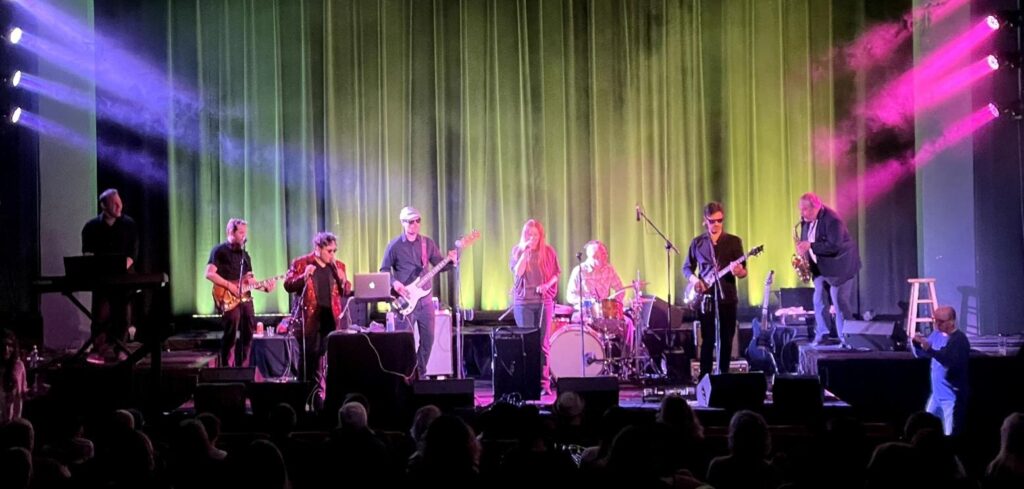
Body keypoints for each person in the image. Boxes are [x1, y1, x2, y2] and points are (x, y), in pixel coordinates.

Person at [379, 206, 457, 376]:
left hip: (426, 301)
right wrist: (395, 283)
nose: (414, 224)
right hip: (405, 302)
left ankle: (419, 375)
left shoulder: (427, 243)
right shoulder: (394, 246)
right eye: (410, 221)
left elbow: (439, 264)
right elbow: (384, 270)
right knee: (405, 342)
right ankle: (405, 375)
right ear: (402, 223)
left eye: (417, 221)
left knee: (428, 341)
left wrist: (452, 261)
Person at [683, 202, 747, 378]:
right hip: (706, 298)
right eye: (712, 221)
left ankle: (723, 376)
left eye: (720, 220)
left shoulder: (734, 241)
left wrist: (738, 270)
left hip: (727, 296)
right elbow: (686, 268)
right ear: (705, 221)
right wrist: (695, 280)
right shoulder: (697, 243)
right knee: (708, 339)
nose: (716, 224)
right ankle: (704, 377)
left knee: (726, 339)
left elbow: (743, 272)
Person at [284, 232, 351, 399]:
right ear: (318, 248)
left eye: (334, 251)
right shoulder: (302, 263)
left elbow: (346, 292)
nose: (333, 255)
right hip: (309, 319)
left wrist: (343, 281)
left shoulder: (339, 266)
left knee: (324, 357)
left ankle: (320, 395)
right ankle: (303, 396)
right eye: (329, 251)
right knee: (308, 358)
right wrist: (303, 276)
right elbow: (288, 285)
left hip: (330, 318)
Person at [205, 218, 276, 367]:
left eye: (245, 232)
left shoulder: (245, 255)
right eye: (241, 232)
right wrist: (229, 286)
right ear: (231, 232)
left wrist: (264, 288)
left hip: (245, 297)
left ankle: (243, 367)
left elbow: (250, 281)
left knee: (249, 329)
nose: (244, 236)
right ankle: (226, 366)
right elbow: (209, 274)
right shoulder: (219, 251)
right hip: (227, 297)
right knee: (232, 326)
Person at [795, 192, 861, 347]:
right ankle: (823, 334)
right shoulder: (805, 221)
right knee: (818, 299)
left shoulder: (833, 220)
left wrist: (810, 245)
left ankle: (848, 338)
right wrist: (803, 255)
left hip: (841, 266)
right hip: (821, 268)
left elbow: (834, 246)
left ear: (816, 206)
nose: (801, 213)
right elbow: (807, 241)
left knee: (839, 301)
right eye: (800, 209)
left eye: (805, 209)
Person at [81, 188, 138, 361]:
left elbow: (132, 254)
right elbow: (87, 254)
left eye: (120, 203)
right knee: (99, 317)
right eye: (114, 204)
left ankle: (121, 350)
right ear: (103, 206)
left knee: (123, 316)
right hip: (101, 281)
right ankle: (100, 351)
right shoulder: (91, 227)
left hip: (124, 279)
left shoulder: (129, 224)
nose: (119, 207)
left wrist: (119, 269)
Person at [509, 219, 560, 394]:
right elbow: (518, 272)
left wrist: (547, 285)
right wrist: (525, 251)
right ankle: (527, 381)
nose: (532, 238)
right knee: (527, 343)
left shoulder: (549, 251)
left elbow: (556, 274)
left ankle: (544, 383)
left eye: (535, 235)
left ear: (541, 236)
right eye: (529, 235)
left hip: (543, 302)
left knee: (543, 343)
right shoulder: (517, 251)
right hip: (523, 302)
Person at [565, 240, 635, 352]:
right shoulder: (579, 270)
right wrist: (587, 302)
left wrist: (613, 305)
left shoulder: (609, 269)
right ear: (593, 256)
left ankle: (625, 360)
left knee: (628, 323)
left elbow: (620, 290)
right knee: (576, 319)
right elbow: (570, 296)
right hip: (586, 311)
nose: (605, 257)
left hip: (606, 312)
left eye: (605, 254)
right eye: (602, 255)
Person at [911, 305, 970, 437]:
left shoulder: (959, 340)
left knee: (950, 433)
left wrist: (930, 350)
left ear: (952, 321)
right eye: (935, 320)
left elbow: (947, 359)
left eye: (941, 321)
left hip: (950, 395)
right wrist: (917, 343)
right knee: (924, 426)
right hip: (937, 393)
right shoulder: (936, 335)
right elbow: (923, 354)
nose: (937, 324)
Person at [0, 329, 27, 423]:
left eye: (10, 345)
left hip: (13, 425)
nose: (6, 349)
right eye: (3, 345)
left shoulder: (19, 367)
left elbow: (22, 394)